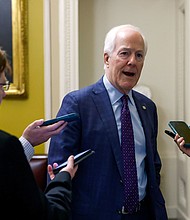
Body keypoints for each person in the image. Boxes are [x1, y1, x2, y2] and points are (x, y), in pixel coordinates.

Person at [48, 24, 168, 219]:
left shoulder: (148, 107)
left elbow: (152, 163)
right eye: (124, 53)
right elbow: (58, 170)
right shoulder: (78, 103)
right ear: (106, 58)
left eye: (139, 55)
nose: (132, 62)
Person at [0, 48, 78, 219]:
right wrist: (62, 179)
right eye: (1, 85)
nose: (4, 93)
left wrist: (27, 142)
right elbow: (48, 215)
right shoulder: (6, 147)